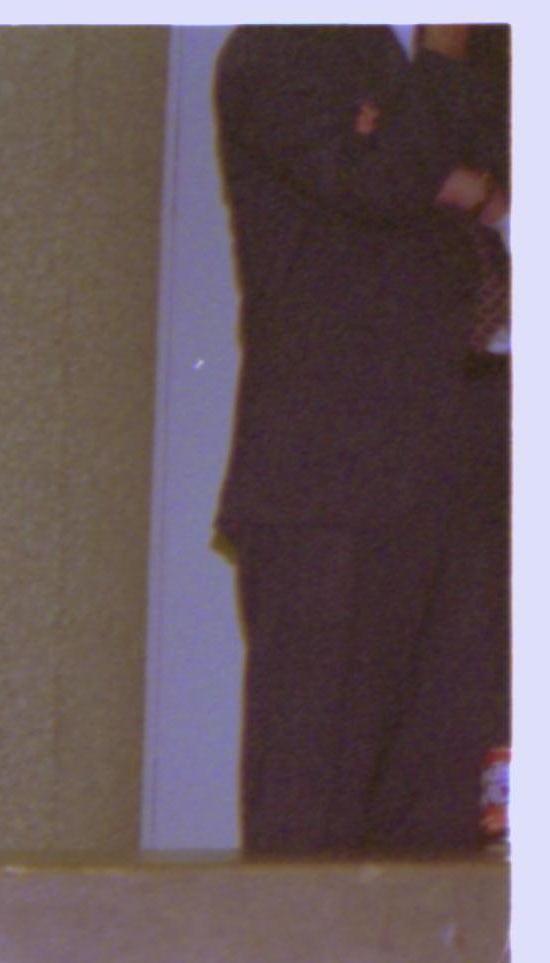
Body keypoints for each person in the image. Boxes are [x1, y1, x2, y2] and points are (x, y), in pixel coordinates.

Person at [215, 26, 509, 854]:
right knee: (313, 806)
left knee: (455, 804)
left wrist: (470, 186)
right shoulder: (286, 47)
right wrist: (441, 59)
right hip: (333, 475)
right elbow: (380, 182)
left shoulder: (505, 59)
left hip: (480, 460)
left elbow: (481, 184)